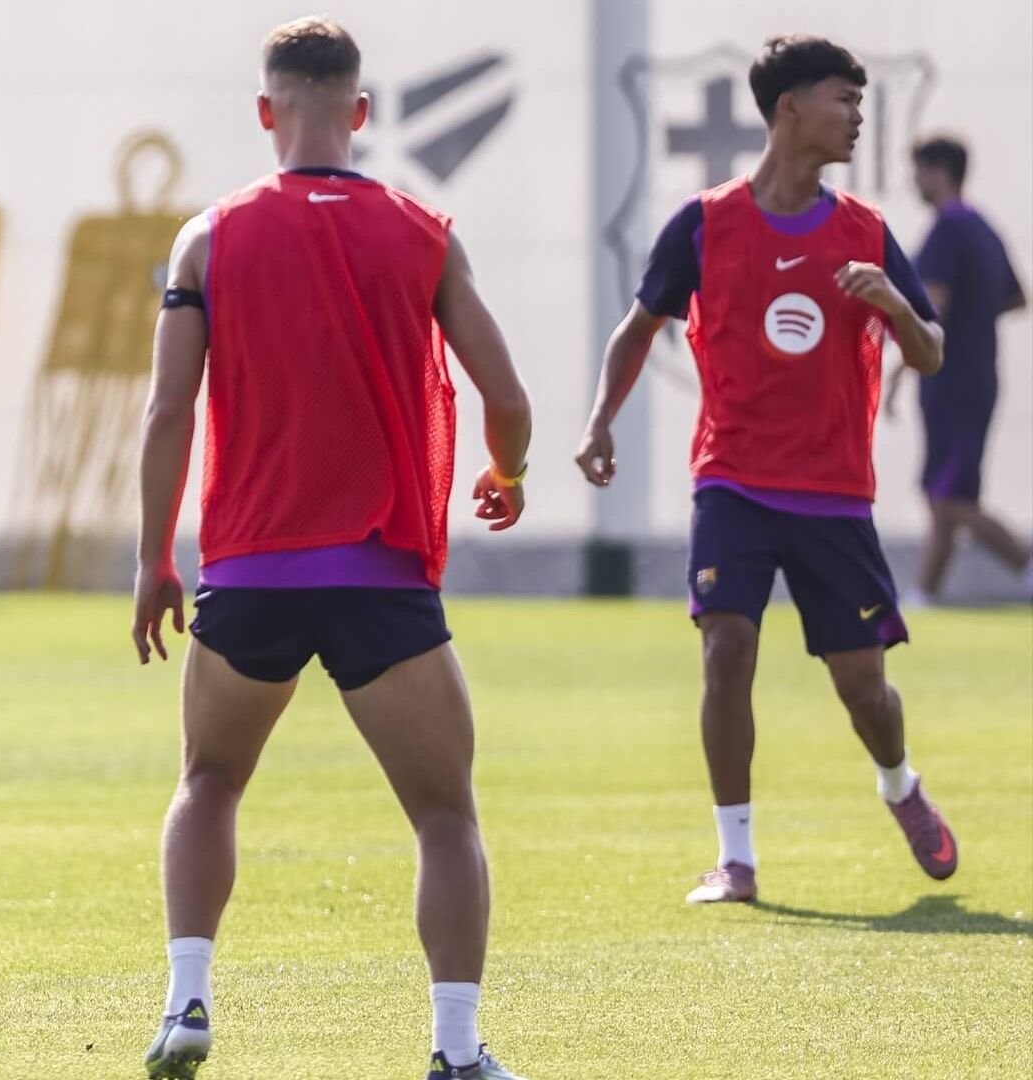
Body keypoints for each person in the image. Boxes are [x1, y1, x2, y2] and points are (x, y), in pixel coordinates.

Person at [133, 19, 534, 1080]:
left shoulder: (206, 237)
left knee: (210, 781)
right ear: (360, 113)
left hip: (250, 574)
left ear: (270, 112)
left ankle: (186, 1005)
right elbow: (509, 400)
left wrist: (152, 560)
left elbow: (168, 412)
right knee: (445, 813)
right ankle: (454, 1051)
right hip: (381, 577)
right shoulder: (423, 232)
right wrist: (511, 473)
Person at [576, 35, 957, 907]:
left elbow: (930, 353)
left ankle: (898, 783)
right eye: (843, 100)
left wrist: (892, 303)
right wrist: (599, 422)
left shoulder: (865, 232)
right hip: (733, 481)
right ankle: (735, 858)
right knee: (726, 651)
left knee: (865, 690)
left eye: (860, 102)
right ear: (790, 108)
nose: (857, 116)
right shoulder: (706, 224)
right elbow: (637, 330)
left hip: (832, 494)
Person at [885, 134, 1030, 604]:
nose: (915, 182)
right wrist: (976, 318)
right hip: (979, 375)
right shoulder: (984, 229)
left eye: (919, 171)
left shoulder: (948, 231)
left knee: (952, 498)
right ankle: (925, 594)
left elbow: (933, 310)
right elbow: (1015, 297)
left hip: (950, 379)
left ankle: (1024, 563)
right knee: (943, 493)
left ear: (939, 171)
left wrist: (899, 371)